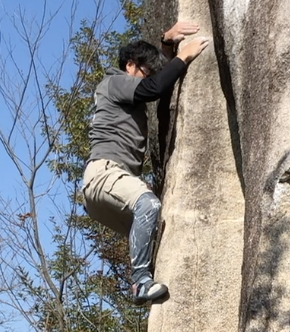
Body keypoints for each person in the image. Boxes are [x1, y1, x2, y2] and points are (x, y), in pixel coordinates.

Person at [82, 21, 208, 304]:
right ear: (129, 65)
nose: (148, 76)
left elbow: (158, 81)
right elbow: (155, 88)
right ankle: (140, 282)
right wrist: (182, 56)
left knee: (154, 229)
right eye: (144, 71)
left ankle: (147, 279)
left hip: (103, 189)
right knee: (148, 203)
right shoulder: (114, 82)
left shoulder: (125, 91)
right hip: (105, 173)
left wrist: (167, 40)